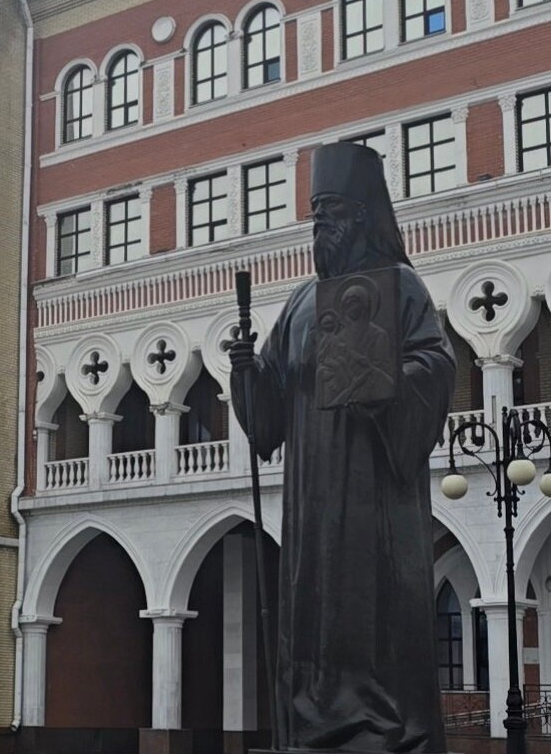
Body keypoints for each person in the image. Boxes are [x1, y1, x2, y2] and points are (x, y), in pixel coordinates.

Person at [229, 143, 454, 753]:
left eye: (329, 211)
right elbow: (268, 420)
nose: (319, 226)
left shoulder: (399, 286)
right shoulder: (301, 304)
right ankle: (311, 724)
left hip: (372, 491)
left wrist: (383, 386)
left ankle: (379, 730)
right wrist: (246, 373)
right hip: (310, 497)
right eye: (314, 213)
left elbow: (435, 364)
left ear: (360, 215)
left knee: (368, 605)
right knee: (312, 611)